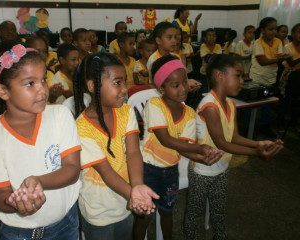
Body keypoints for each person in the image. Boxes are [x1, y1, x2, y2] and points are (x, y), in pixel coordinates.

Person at [0, 42, 82, 239]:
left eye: (43, 80)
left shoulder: (60, 115)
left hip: (66, 224)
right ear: (2, 90)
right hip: (17, 233)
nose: (42, 90)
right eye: (30, 83)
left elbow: (72, 169)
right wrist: (16, 202)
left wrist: (39, 181)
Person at [183, 54, 284, 240]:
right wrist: (256, 152)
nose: (241, 81)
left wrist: (258, 143)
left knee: (219, 208)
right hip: (203, 172)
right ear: (221, 76)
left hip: (221, 167)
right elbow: (223, 143)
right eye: (237, 75)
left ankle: (220, 236)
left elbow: (235, 137)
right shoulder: (210, 107)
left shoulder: (229, 103)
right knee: (194, 212)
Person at [133, 55, 223, 240]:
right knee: (144, 217)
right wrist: (201, 148)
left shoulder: (189, 113)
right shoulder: (155, 105)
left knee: (167, 213)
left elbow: (184, 148)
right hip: (148, 170)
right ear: (161, 88)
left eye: (184, 82)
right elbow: (166, 140)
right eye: (175, 85)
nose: (183, 89)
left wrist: (203, 158)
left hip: (170, 171)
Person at [73, 52, 159, 240]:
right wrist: (134, 195)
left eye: (125, 82)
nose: (125, 89)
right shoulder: (82, 128)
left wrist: (136, 187)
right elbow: (106, 172)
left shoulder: (126, 112)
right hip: (99, 210)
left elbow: (134, 152)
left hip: (124, 202)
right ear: (93, 86)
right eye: (117, 83)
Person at [249, 17, 291, 136]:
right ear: (263, 30)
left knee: (267, 104)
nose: (273, 32)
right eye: (270, 29)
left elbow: (279, 57)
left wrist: (281, 58)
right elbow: (262, 61)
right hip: (257, 78)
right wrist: (279, 58)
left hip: (271, 77)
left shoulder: (278, 42)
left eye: (275, 29)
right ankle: (248, 127)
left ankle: (264, 126)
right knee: (251, 105)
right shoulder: (258, 43)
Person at [277, 23, 300, 131]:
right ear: (292, 33)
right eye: (299, 31)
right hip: (289, 76)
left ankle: (294, 123)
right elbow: (291, 63)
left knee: (298, 101)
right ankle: (280, 123)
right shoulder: (287, 47)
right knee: (285, 101)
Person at [24, 35, 63, 104]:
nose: (42, 55)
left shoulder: (49, 74)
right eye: (37, 51)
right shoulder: (22, 76)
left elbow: (57, 101)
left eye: (44, 52)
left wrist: (52, 96)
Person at [199, 28, 222, 93]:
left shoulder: (218, 46)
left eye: (214, 35)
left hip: (215, 72)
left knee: (214, 90)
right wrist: (214, 56)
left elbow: (218, 59)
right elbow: (207, 59)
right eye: (209, 36)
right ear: (205, 38)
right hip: (204, 72)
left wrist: (211, 56)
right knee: (204, 90)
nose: (212, 37)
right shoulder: (203, 46)